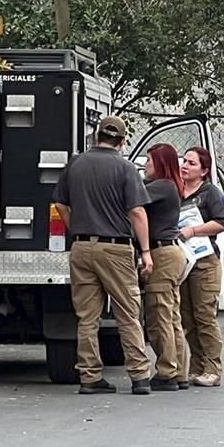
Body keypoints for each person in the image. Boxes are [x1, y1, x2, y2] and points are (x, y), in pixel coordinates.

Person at [52, 116, 155, 396]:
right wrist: (145, 251)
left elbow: (60, 203)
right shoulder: (125, 168)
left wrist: (77, 228)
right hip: (116, 249)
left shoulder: (76, 163)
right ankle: (139, 376)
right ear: (121, 141)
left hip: (82, 248)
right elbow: (137, 212)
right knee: (128, 313)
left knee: (87, 317)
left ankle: (89, 376)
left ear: (96, 136)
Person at [178, 147, 224, 387]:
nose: (185, 166)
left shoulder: (211, 193)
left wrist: (194, 231)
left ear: (204, 170)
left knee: (204, 315)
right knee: (186, 316)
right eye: (184, 161)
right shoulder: (176, 190)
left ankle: (212, 368)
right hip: (182, 260)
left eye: (191, 163)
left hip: (204, 261)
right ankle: (196, 366)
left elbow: (221, 223)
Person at [140, 143, 189, 392]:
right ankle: (179, 371)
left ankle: (167, 371)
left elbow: (133, 199)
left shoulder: (160, 186)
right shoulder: (170, 186)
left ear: (159, 164)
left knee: (159, 314)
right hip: (171, 252)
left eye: (148, 161)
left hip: (162, 253)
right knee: (171, 316)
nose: (144, 166)